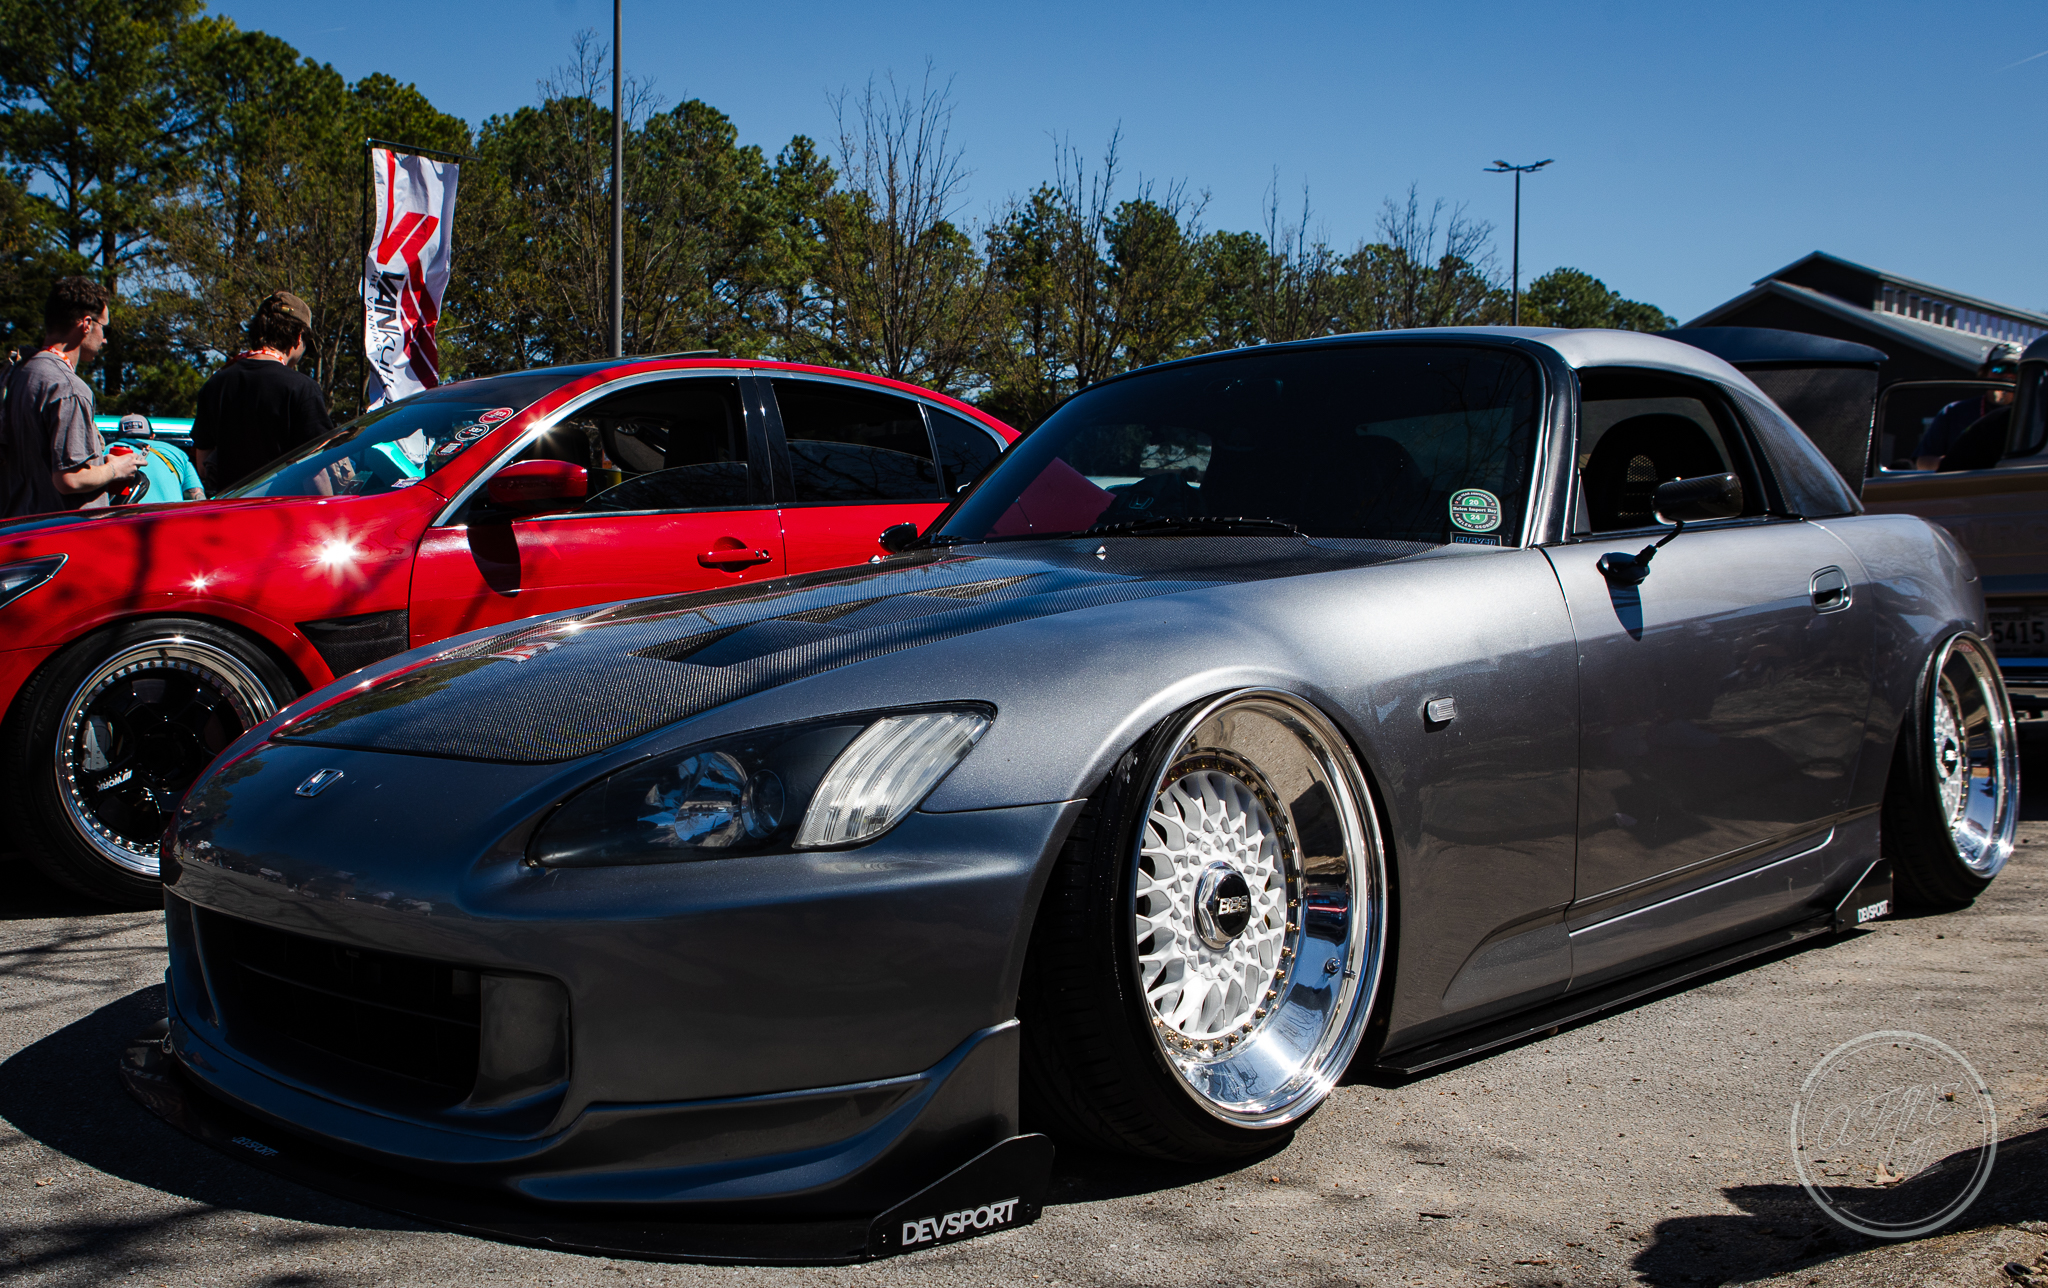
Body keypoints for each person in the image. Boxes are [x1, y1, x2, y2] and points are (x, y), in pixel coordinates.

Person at [0, 277, 141, 518]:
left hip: (17, 529)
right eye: (104, 328)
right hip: (63, 532)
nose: (104, 338)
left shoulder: (15, 375)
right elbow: (70, 478)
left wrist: (98, 464)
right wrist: (115, 469)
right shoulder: (68, 387)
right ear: (86, 324)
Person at [190, 290, 333, 490]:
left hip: (231, 507)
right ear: (298, 336)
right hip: (282, 508)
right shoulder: (302, 388)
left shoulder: (214, 384)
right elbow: (316, 472)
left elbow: (203, 465)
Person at [1915, 343, 2021, 470]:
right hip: (1967, 481)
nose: (2007, 375)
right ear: (1985, 373)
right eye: (1999, 369)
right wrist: (1958, 462)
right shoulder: (1954, 412)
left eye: (2015, 369)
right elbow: (1922, 462)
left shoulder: (2033, 416)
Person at [106, 412, 206, 503]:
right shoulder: (177, 453)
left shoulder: (106, 451)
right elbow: (197, 498)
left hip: (122, 517)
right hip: (170, 516)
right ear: (152, 436)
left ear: (117, 437)